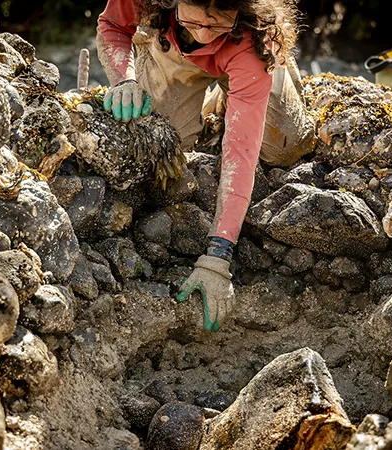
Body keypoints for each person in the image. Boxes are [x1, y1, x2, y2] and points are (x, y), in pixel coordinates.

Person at [96, 0, 316, 332]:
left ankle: (262, 82)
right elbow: (113, 27)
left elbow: (240, 153)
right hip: (168, 46)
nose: (202, 33)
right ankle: (206, 91)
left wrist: (218, 255)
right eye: (194, 20)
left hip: (246, 49)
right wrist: (123, 81)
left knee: (286, 146)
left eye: (215, 25)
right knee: (163, 142)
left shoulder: (252, 30)